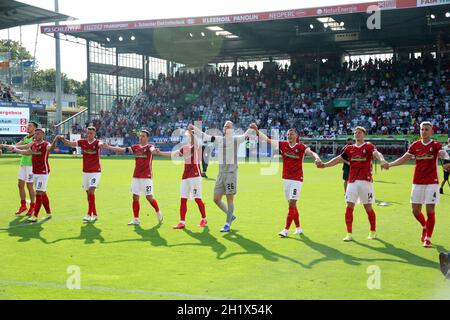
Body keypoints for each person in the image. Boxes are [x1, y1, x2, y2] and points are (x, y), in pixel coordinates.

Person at [382, 122, 450, 248]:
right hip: (417, 181)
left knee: (430, 210)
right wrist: (389, 165)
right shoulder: (415, 145)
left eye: (426, 129)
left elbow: (442, 153)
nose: (423, 131)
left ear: (431, 131)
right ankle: (424, 226)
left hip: (432, 182)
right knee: (415, 211)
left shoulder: (435, 144)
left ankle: (428, 238)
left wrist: (447, 160)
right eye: (422, 129)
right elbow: (404, 158)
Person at [250, 124, 322, 237]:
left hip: (297, 179)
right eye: (288, 134)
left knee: (292, 203)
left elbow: (311, 152)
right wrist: (256, 130)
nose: (289, 136)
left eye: (292, 134)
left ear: (296, 136)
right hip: (286, 179)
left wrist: (317, 158)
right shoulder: (283, 145)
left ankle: (286, 230)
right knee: (291, 205)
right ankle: (298, 228)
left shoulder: (301, 147)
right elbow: (268, 140)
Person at [317, 126, 387, 242]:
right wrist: (325, 165)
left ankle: (373, 231)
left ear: (363, 135)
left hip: (366, 181)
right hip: (352, 182)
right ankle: (349, 234)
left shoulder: (368, 146)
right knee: (349, 207)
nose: (357, 134)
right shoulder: (349, 149)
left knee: (368, 207)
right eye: (355, 133)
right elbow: (338, 159)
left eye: (359, 133)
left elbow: (377, 154)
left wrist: (382, 160)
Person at [190, 121, 253, 232]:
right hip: (221, 174)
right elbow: (206, 136)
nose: (226, 128)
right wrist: (194, 129)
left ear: (232, 129)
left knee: (229, 199)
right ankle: (231, 215)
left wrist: (251, 127)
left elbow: (245, 136)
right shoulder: (219, 139)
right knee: (216, 199)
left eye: (228, 126)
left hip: (231, 173)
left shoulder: (235, 140)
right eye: (225, 126)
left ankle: (227, 224)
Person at [104, 130, 163, 226]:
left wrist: (155, 151)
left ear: (147, 138)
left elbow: (152, 150)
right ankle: (136, 219)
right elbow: (122, 150)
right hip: (136, 176)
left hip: (147, 177)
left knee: (149, 197)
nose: (141, 137)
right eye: (140, 136)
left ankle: (158, 212)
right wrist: (109, 147)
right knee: (135, 197)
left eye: (143, 136)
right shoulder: (135, 147)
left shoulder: (149, 147)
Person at [156, 129, 207, 229]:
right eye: (187, 136)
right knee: (183, 199)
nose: (188, 137)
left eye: (189, 136)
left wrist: (191, 132)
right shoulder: (185, 148)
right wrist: (160, 153)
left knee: (197, 199)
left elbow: (194, 141)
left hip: (195, 176)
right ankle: (182, 222)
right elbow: (173, 153)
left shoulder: (196, 146)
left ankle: (204, 219)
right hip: (185, 176)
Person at [5, 129, 58, 223]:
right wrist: (16, 150)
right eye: (36, 133)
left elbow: (51, 149)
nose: (36, 135)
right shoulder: (33, 144)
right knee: (43, 192)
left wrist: (55, 140)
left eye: (38, 134)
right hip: (35, 171)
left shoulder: (46, 144)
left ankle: (35, 216)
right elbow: (27, 152)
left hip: (43, 172)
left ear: (42, 135)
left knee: (38, 193)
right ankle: (49, 213)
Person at [57, 127, 107, 223]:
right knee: (88, 194)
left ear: (94, 134)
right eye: (88, 133)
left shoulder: (97, 142)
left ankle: (88, 214)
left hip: (95, 171)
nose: (89, 135)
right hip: (85, 171)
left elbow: (101, 144)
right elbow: (71, 144)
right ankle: (95, 214)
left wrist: (102, 145)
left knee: (91, 191)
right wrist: (63, 139)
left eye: (91, 133)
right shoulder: (82, 142)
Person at [13, 121, 38, 216]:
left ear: (35, 128)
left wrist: (15, 148)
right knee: (20, 185)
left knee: (29, 186)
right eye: (27, 125)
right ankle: (23, 206)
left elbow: (27, 146)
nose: (28, 127)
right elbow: (18, 144)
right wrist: (10, 146)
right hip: (23, 164)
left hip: (31, 165)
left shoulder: (35, 138)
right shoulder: (25, 137)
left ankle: (32, 206)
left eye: (30, 126)